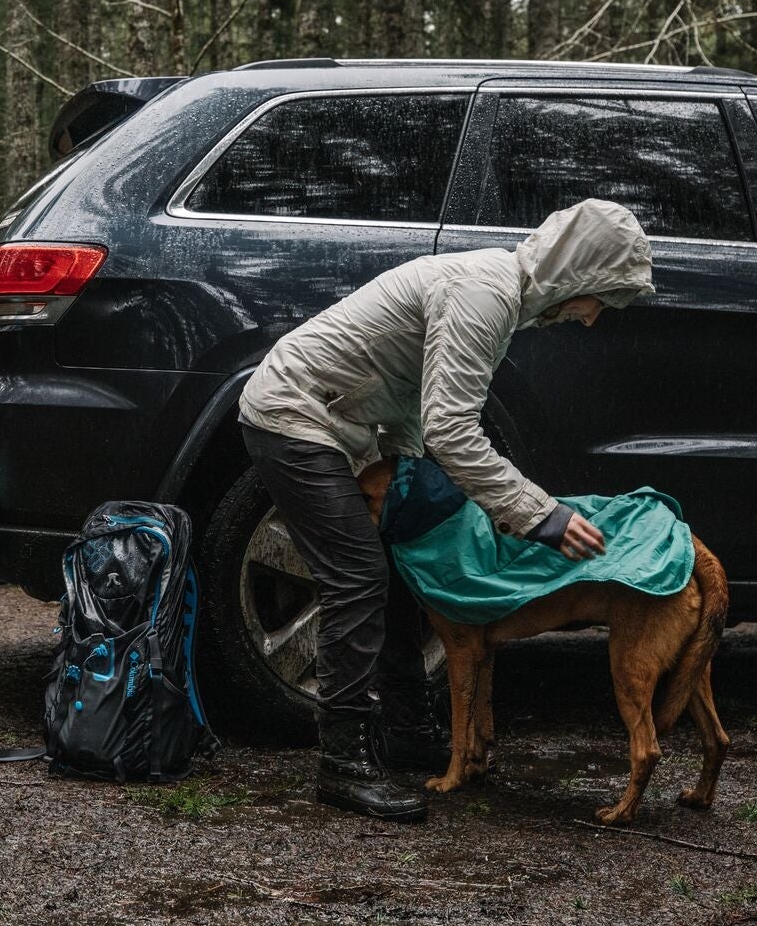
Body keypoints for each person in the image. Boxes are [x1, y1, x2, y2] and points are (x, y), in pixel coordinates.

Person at [238, 199, 656, 822]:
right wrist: (539, 514)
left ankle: (406, 730)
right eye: (602, 299)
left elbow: (411, 391)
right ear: (576, 274)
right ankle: (342, 765)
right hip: (294, 415)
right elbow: (454, 428)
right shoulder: (485, 294)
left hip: (339, 422)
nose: (593, 319)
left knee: (397, 575)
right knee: (356, 578)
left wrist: (407, 471)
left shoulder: (499, 296)